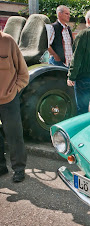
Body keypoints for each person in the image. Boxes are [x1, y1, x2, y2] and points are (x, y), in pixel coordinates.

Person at [0, 31, 29, 182]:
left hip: (9, 98)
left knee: (14, 135)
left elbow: (24, 73)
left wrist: (15, 90)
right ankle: (1, 167)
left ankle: (19, 169)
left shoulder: (8, 41)